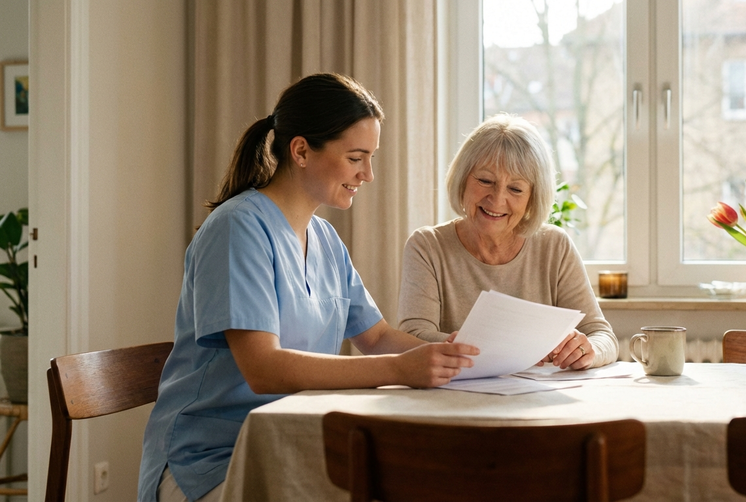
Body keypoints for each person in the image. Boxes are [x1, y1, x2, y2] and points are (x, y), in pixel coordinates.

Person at [138, 73, 478, 502]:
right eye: (356, 158)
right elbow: (264, 369)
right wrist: (398, 370)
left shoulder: (325, 239)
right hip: (211, 460)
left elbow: (375, 337)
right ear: (300, 150)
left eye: (371, 158)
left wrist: (460, 355)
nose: (368, 174)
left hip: (289, 445)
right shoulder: (237, 229)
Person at [398, 113, 618, 371]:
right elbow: (412, 337)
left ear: (532, 198)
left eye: (515, 189)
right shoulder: (427, 246)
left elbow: (602, 336)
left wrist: (588, 350)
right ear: (463, 179)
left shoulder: (554, 246)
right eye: (485, 181)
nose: (497, 199)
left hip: (535, 392)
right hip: (455, 390)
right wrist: (486, 349)